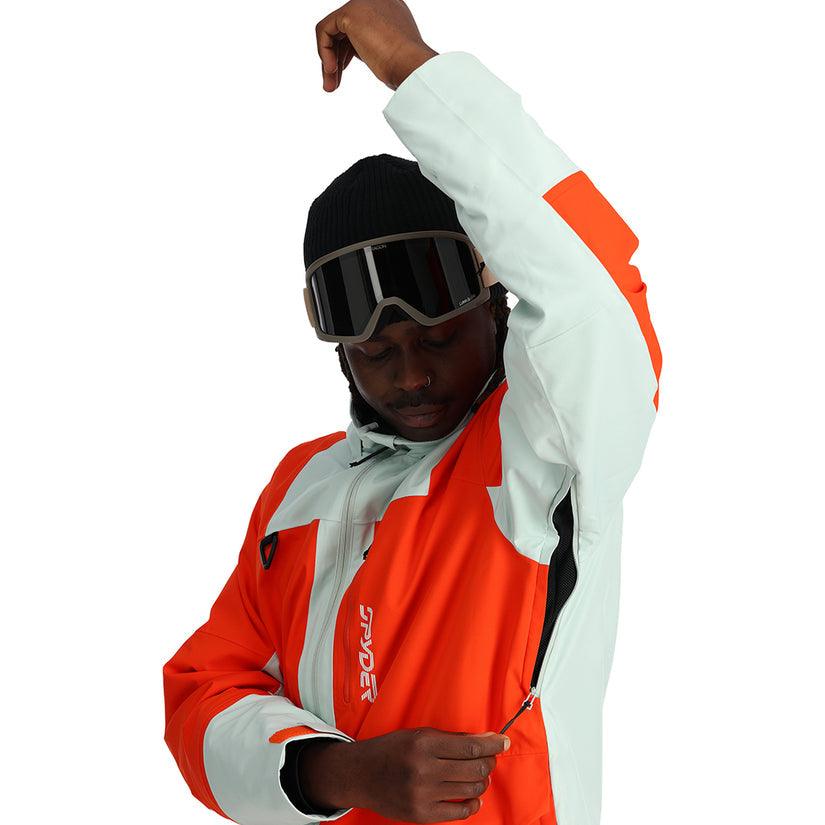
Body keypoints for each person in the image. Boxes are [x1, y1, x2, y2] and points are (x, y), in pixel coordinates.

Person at [162, 1, 663, 823]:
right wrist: (336, 772)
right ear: (338, 350)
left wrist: (410, 66)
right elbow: (201, 690)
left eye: (438, 337)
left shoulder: (541, 446)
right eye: (375, 352)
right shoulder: (301, 482)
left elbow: (592, 289)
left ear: (495, 302)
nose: (412, 376)